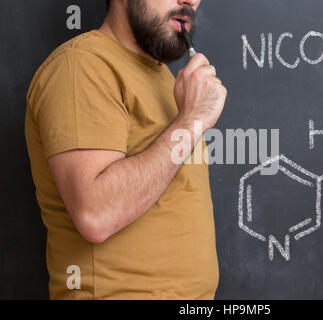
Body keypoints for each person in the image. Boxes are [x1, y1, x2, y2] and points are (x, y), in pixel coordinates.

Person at [24, 0, 227, 300]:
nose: (190, 0)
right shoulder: (82, 66)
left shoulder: (164, 79)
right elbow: (95, 214)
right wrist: (192, 121)